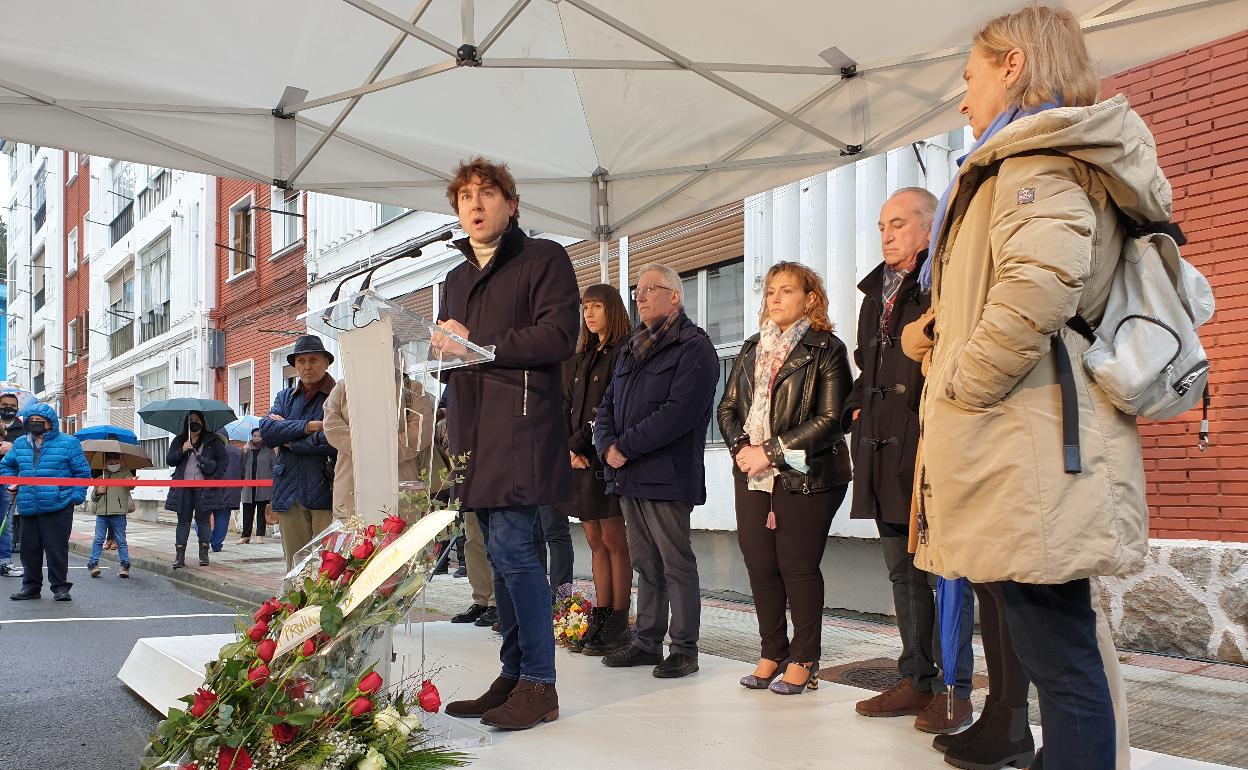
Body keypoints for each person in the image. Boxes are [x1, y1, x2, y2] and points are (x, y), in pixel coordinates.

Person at [912, 7, 1157, 768]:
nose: (963, 99)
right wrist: (938, 333)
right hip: (1032, 439)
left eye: (971, 76)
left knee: (1060, 657)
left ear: (1012, 65)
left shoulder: (1037, 162)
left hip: (1033, 444)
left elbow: (1037, 288)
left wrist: (961, 383)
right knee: (1051, 643)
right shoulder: (1030, 162)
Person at [437, 157, 579, 731]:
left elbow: (558, 335)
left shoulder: (543, 259)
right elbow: (457, 351)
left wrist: (479, 341)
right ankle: (513, 673)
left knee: (517, 551)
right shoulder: (454, 277)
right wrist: (443, 359)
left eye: (487, 194)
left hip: (521, 428)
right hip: (475, 431)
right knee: (497, 555)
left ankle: (540, 684)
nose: (475, 204)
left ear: (511, 204)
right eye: (465, 196)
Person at [844, 188, 976, 733]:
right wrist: (856, 411)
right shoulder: (875, 294)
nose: (887, 235)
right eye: (881, 226)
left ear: (928, 230)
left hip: (924, 446)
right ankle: (916, 678)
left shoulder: (940, 284)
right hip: (879, 448)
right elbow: (865, 369)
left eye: (898, 224)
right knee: (900, 569)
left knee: (942, 570)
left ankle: (952, 688)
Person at [717, 261, 852, 695]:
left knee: (796, 567)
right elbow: (728, 408)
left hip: (806, 472)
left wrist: (770, 453)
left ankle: (805, 659)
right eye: (770, 290)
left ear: (810, 299)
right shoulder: (752, 347)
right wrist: (742, 450)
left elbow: (832, 419)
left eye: (786, 290)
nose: (774, 298)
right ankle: (772, 652)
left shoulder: (825, 348)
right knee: (760, 567)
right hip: (752, 472)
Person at [594, 264, 719, 680]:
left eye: (650, 289)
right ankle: (647, 640)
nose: (640, 296)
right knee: (646, 563)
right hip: (630, 475)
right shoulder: (631, 349)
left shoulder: (693, 347)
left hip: (666, 475)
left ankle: (684, 649)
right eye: (637, 290)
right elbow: (607, 405)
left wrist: (623, 447)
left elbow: (678, 414)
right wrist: (605, 445)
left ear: (675, 296)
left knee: (675, 563)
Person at [557, 283, 632, 655]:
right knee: (594, 542)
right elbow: (563, 407)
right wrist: (567, 451)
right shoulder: (579, 357)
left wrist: (579, 446)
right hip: (578, 461)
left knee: (615, 542)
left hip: (605, 459)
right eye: (585, 307)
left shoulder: (624, 353)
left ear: (612, 310)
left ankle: (619, 621)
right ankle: (601, 616)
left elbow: (612, 409)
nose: (588, 314)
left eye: (596, 306)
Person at [261, 335, 338, 571]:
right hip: (288, 490)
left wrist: (291, 440)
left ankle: (322, 609)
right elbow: (268, 431)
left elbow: (334, 438)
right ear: (295, 365)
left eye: (313, 360)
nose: (307, 367)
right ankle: (295, 609)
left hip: (326, 488)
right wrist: (311, 425)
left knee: (327, 566)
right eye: (301, 361)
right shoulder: (284, 397)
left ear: (326, 362)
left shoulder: (339, 395)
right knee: (295, 567)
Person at [322, 375, 444, 521]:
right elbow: (332, 428)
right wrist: (373, 451)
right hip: (351, 481)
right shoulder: (343, 387)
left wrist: (378, 452)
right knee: (357, 538)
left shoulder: (413, 388)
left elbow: (419, 435)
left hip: (402, 478)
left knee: (401, 537)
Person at [4, 404, 92, 601]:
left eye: (39, 421)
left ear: (50, 423)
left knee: (56, 549)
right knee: (29, 550)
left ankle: (60, 587)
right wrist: (13, 482)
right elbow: (7, 466)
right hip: (28, 504)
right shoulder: (20, 444)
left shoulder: (69, 443)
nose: (35, 424)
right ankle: (31, 587)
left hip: (58, 504)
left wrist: (75, 497)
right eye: (31, 421)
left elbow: (82, 473)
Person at [166, 412, 228, 568]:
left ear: (202, 422)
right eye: (191, 420)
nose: (194, 422)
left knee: (204, 521)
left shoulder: (212, 440)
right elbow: (170, 460)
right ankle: (180, 557)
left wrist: (214, 478)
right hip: (183, 488)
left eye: (197, 420)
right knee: (183, 522)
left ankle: (204, 554)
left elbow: (223, 461)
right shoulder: (180, 439)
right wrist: (182, 449)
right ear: (186, 423)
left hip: (204, 488)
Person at [88, 452, 135, 579]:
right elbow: (93, 497)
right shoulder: (100, 477)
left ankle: (125, 566)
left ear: (120, 461)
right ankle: (93, 564)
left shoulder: (126, 474)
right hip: (102, 514)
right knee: (98, 539)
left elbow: (131, 486)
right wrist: (98, 491)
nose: (113, 465)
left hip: (118, 513)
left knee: (121, 540)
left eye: (115, 463)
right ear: (105, 463)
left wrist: (131, 483)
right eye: (110, 463)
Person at [0, 393, 26, 561]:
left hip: (9, 480)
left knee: (5, 522)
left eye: (12, 405)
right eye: (4, 405)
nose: (8, 408)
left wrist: (13, 445)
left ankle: (4, 560)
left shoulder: (24, 430)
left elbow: (32, 449)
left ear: (17, 409)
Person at [208, 432, 244, 553]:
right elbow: (242, 473)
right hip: (230, 489)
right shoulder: (238, 452)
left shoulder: (206, 450)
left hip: (209, 488)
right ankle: (216, 544)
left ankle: (204, 540)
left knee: (202, 516)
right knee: (222, 517)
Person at [238, 429, 275, 544]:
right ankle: (245, 536)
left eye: (259, 436)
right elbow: (239, 466)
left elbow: (274, 467)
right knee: (247, 511)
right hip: (248, 485)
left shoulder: (269, 450)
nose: (257, 438)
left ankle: (260, 535)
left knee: (261, 511)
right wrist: (243, 453)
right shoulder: (246, 449)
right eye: (254, 436)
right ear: (251, 437)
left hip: (264, 486)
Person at [0, 423, 19, 578]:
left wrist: (12, 446)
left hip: (6, 483)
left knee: (6, 524)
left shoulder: (14, 439)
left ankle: (5, 563)